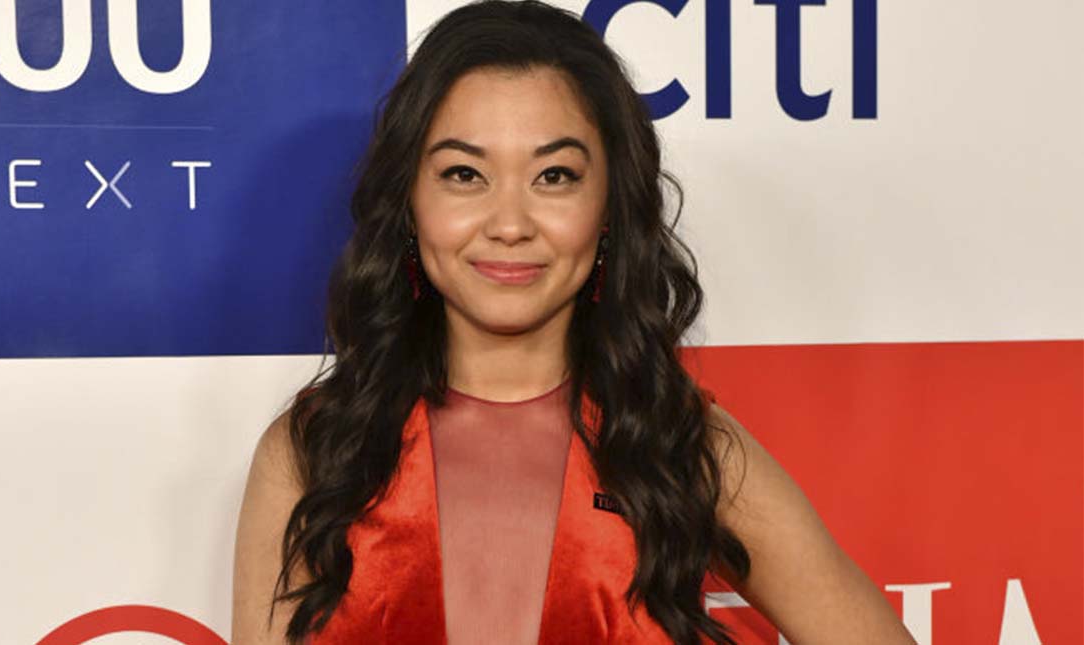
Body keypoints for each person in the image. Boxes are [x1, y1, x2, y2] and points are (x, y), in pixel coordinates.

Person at [232, 2, 916, 644]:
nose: (508, 224)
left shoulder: (679, 444)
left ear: (610, 203)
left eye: (554, 176)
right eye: (464, 174)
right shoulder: (315, 454)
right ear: (409, 201)